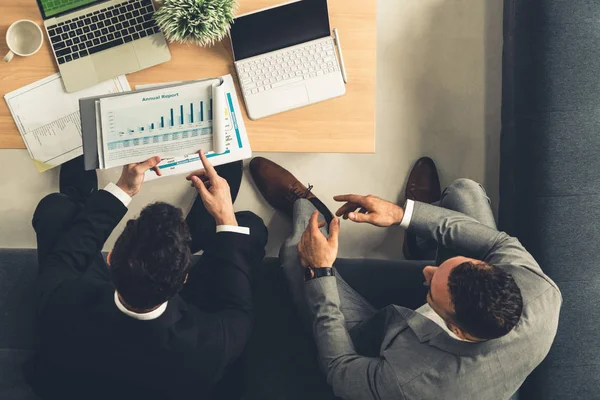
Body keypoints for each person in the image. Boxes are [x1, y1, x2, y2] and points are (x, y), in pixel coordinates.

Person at [249, 156, 562, 400]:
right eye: (445, 266)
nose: (427, 271)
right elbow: (496, 243)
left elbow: (340, 369)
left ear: (454, 328)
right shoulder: (541, 292)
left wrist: (320, 271)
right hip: (469, 329)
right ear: (492, 269)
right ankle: (417, 240)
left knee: (293, 255)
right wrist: (402, 215)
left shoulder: (411, 384)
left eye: (432, 287)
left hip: (387, 344)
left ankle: (307, 207)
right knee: (465, 191)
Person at [26, 151, 267, 400]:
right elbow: (235, 304)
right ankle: (188, 242)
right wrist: (224, 216)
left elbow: (64, 257)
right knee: (251, 228)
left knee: (56, 210)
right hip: (174, 366)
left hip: (80, 372)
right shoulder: (215, 341)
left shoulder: (62, 303)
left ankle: (81, 198)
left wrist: (123, 189)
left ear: (110, 259)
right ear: (185, 279)